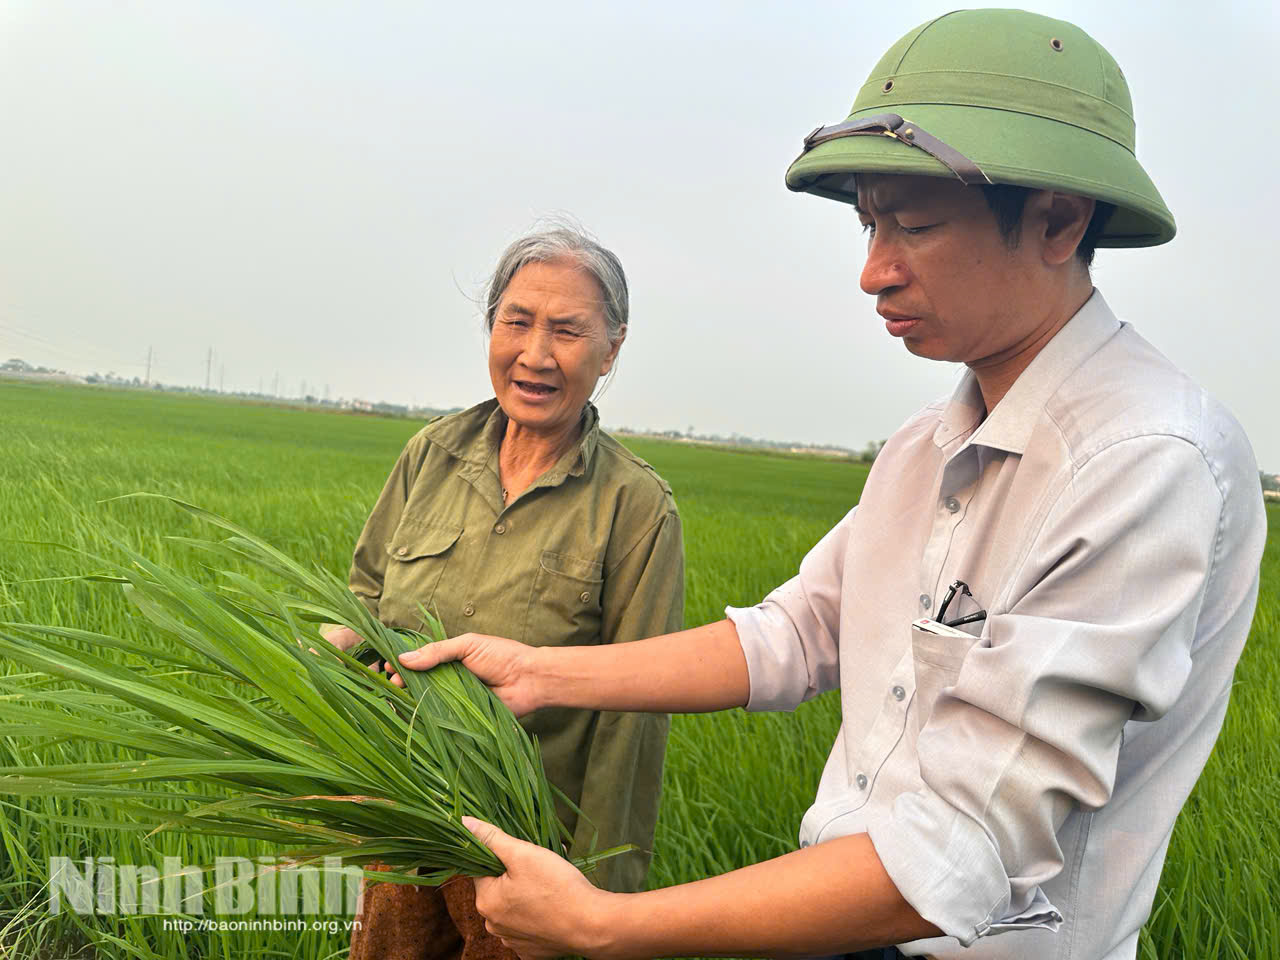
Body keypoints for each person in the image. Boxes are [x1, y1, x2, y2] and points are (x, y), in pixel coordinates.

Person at [388, 10, 1267, 960]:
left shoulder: (1145, 458)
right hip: (840, 923)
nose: (871, 271)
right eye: (869, 224)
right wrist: (544, 671)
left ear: (1057, 219)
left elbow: (962, 849)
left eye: (914, 226)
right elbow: (796, 635)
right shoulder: (920, 451)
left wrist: (610, 927)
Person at [330, 225, 685, 960]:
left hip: (526, 852)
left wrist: (596, 902)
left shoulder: (635, 507)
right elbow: (361, 602)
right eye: (516, 321)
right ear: (490, 326)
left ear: (612, 348)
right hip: (402, 818)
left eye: (567, 330)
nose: (536, 354)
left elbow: (635, 720)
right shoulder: (430, 455)